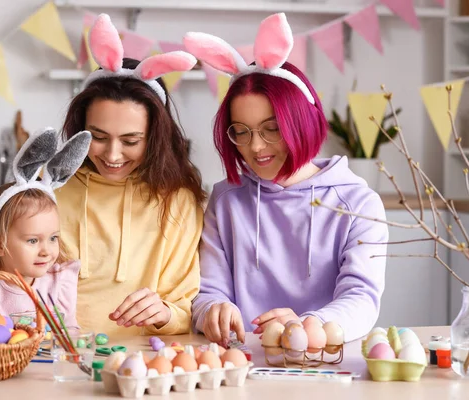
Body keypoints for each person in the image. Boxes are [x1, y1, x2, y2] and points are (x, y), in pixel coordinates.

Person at [183, 13, 388, 346]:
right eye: (242, 132)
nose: (256, 146)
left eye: (272, 128)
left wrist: (310, 324)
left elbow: (362, 300)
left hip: (324, 358)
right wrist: (213, 310)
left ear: (301, 121)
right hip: (242, 360)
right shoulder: (225, 200)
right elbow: (207, 292)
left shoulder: (359, 204)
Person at [56, 14, 206, 337]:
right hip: (54, 358)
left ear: (154, 137)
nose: (112, 155)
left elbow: (184, 310)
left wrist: (164, 313)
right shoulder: (51, 186)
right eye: (98, 136)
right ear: (80, 127)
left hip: (142, 366)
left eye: (130, 141)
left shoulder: (178, 200)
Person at [0, 128, 91, 327]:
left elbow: (69, 333)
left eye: (53, 238)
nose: (46, 251)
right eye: (33, 240)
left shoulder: (58, 283)